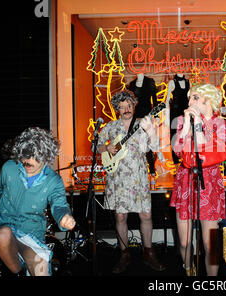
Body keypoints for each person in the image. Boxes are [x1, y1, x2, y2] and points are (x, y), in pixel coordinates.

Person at [0, 127, 76, 276]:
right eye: (24, 155)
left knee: (41, 269)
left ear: (45, 156)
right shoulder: (9, 168)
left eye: (33, 156)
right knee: (3, 235)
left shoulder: (54, 180)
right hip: (4, 224)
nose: (27, 161)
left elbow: (59, 204)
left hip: (31, 233)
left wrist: (64, 216)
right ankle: (19, 272)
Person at [97, 90, 165, 274]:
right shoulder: (111, 127)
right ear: (117, 109)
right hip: (118, 178)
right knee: (121, 217)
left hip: (139, 177)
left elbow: (155, 147)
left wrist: (151, 130)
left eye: (129, 105)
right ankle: (124, 253)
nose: (126, 109)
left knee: (145, 215)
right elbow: (97, 145)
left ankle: (148, 252)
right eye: (122, 107)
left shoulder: (143, 123)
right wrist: (107, 147)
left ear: (134, 106)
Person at [170, 83, 226, 276]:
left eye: (196, 97)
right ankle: (189, 269)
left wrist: (198, 124)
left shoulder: (222, 125)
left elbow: (211, 151)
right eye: (190, 98)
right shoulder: (182, 121)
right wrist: (188, 125)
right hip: (186, 181)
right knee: (184, 241)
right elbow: (179, 151)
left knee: (210, 243)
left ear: (209, 101)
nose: (190, 102)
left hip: (209, 184)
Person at [167, 74, 190, 165]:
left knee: (187, 135)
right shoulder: (172, 82)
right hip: (175, 113)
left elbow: (190, 97)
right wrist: (166, 114)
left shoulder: (188, 82)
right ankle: (176, 161)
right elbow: (167, 100)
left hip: (186, 113)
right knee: (174, 136)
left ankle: (186, 159)